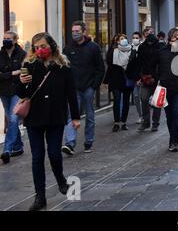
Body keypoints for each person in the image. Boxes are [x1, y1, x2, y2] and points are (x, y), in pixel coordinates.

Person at [17, 32, 80, 211]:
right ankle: (40, 196)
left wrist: (75, 117)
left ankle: (60, 179)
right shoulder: (29, 64)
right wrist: (21, 82)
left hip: (55, 117)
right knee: (37, 157)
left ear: (51, 46)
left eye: (43, 46)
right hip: (34, 118)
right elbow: (21, 94)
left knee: (54, 153)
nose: (40, 50)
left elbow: (71, 94)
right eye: (36, 47)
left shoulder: (63, 67)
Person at [62, 21, 105, 155]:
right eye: (73, 31)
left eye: (77, 31)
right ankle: (70, 143)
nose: (75, 33)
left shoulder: (93, 47)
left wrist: (94, 86)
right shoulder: (68, 49)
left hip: (88, 87)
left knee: (90, 116)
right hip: (74, 88)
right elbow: (64, 68)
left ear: (84, 32)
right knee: (71, 115)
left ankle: (88, 142)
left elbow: (100, 69)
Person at [156, 27, 178, 152]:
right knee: (169, 116)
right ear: (173, 37)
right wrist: (158, 78)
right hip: (166, 88)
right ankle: (173, 137)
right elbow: (156, 67)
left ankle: (173, 141)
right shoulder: (162, 51)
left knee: (176, 114)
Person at [0, 31, 27, 164]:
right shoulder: (0, 54)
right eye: (4, 38)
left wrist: (6, 74)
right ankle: (18, 146)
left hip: (17, 91)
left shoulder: (22, 55)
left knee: (12, 118)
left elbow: (24, 72)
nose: (5, 40)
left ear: (15, 40)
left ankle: (7, 150)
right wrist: (12, 73)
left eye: (8, 38)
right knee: (12, 120)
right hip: (3, 92)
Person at [105, 34, 133, 132]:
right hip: (115, 79)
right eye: (121, 39)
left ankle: (124, 122)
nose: (124, 40)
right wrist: (107, 79)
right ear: (117, 41)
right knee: (116, 100)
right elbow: (109, 63)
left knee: (126, 101)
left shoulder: (131, 50)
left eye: (125, 38)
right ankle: (116, 122)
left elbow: (134, 63)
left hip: (127, 79)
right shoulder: (112, 51)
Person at [136, 33, 160, 132]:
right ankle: (146, 122)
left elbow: (161, 64)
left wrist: (157, 77)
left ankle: (155, 123)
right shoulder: (142, 47)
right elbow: (139, 63)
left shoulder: (159, 48)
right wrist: (139, 77)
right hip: (145, 78)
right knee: (144, 99)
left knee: (157, 103)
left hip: (157, 80)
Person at [129, 32, 144, 124]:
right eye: (133, 37)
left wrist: (140, 78)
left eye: (137, 37)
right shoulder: (130, 48)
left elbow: (143, 64)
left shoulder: (143, 48)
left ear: (140, 38)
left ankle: (144, 115)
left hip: (141, 77)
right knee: (136, 96)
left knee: (143, 97)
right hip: (133, 77)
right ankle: (141, 115)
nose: (135, 39)